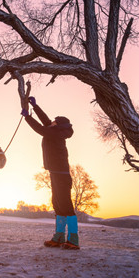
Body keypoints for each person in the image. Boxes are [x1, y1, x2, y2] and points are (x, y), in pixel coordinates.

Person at [21, 96, 79, 249]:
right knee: (58, 205)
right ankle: (58, 237)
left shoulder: (55, 133)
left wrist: (28, 117)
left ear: (59, 125)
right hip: (56, 173)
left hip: (61, 175)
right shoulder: (55, 130)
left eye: (54, 121)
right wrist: (35, 106)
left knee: (66, 206)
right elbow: (46, 121)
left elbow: (40, 129)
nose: (51, 122)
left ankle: (73, 239)